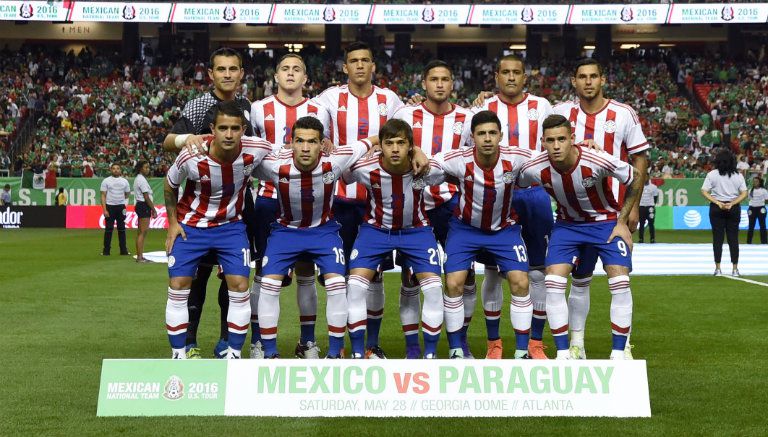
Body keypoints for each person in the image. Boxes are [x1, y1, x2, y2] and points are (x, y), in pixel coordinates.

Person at [519, 114, 643, 360]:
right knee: (553, 282)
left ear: (573, 139)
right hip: (568, 226)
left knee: (620, 280)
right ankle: (567, 352)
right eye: (550, 140)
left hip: (606, 223)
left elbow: (636, 177)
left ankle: (620, 352)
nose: (556, 146)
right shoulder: (533, 168)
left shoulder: (595, 159)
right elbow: (515, 181)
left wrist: (622, 221)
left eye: (562, 139)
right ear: (542, 142)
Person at [251, 116, 376, 359]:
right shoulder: (276, 164)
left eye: (312, 142)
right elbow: (241, 159)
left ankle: (334, 354)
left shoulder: (336, 159)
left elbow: (372, 140)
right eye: (300, 141)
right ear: (291, 143)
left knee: (337, 284)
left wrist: (414, 151)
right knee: (268, 285)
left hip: (323, 232)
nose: (305, 148)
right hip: (286, 231)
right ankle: (270, 354)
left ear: (322, 144)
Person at [163, 101, 278, 359]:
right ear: (212, 129)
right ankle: (178, 354)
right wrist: (172, 224)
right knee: (178, 285)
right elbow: (170, 184)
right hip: (191, 226)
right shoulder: (192, 155)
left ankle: (233, 354)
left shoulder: (257, 148)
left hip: (231, 227)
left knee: (239, 285)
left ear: (243, 130)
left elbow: (287, 154)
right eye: (223, 128)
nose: (229, 134)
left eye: (235, 128)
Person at [312, 41, 405, 359]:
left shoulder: (390, 99)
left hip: (376, 201)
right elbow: (314, 124)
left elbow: (404, 131)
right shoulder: (329, 98)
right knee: (337, 277)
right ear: (345, 67)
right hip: (339, 200)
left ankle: (371, 345)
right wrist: (324, 137)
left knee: (374, 276)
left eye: (366, 60)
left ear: (374, 66)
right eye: (354, 61)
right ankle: (337, 346)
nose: (360, 65)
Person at [162, 47, 255, 359]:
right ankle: (188, 342)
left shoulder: (248, 107)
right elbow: (168, 141)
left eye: (233, 69)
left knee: (235, 279)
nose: (227, 74)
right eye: (221, 69)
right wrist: (186, 139)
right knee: (196, 278)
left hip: (238, 206)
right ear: (212, 74)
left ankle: (227, 343)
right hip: (200, 206)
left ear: (241, 73)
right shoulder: (199, 105)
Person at [553, 58, 649, 359]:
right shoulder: (561, 112)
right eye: (582, 76)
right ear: (574, 81)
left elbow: (640, 160)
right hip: (573, 216)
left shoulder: (623, 113)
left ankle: (623, 346)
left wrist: (632, 208)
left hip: (614, 213)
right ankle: (577, 344)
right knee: (579, 280)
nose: (588, 82)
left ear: (603, 79)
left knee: (619, 276)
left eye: (593, 76)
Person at [424, 110, 533, 359]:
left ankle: (522, 352)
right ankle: (455, 350)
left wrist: (581, 147)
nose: (487, 138)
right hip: (465, 229)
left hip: (504, 229)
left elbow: (547, 159)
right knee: (454, 283)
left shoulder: (515, 157)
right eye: (481, 133)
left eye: (492, 133)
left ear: (500, 135)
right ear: (472, 137)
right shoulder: (459, 158)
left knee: (521, 282)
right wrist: (420, 155)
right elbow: (432, 164)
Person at [473, 54, 555, 360]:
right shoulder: (483, 107)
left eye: (516, 72)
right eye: (505, 72)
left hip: (534, 196)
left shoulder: (542, 106)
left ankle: (535, 342)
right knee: (492, 272)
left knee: (538, 273)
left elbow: (557, 140)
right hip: (496, 196)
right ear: (496, 76)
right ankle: (494, 343)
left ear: (525, 77)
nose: (510, 77)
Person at [393, 60, 477, 357]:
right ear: (423, 83)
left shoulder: (467, 118)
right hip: (413, 205)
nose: (439, 84)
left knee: (465, 275)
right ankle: (412, 347)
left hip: (452, 203)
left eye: (445, 79)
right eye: (434, 79)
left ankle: (460, 342)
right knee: (410, 277)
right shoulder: (406, 114)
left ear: (453, 83)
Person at [249, 53, 330, 359]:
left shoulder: (319, 110)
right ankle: (258, 342)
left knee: (306, 270)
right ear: (276, 76)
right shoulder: (259, 109)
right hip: (269, 198)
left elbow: (326, 149)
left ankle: (306, 342)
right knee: (263, 272)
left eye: (297, 69)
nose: (291, 73)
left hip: (307, 199)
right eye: (285, 68)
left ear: (305, 78)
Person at [343, 119, 443, 359]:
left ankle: (428, 355)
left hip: (416, 231)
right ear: (381, 146)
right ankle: (358, 353)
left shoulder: (427, 169)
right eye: (389, 143)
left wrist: (420, 154)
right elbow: (344, 174)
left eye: (401, 143)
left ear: (411, 146)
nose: (395, 149)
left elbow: (448, 174)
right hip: (375, 231)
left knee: (433, 290)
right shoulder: (365, 168)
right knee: (355, 286)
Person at [701, 149, 748, 276]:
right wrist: (732, 203)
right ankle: (735, 269)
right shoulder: (738, 175)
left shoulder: (712, 174)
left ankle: (718, 268)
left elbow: (704, 191)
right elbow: (744, 193)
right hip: (733, 208)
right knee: (733, 239)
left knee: (718, 239)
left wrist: (717, 202)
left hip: (717, 207)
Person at [100, 163, 130, 256]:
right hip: (110, 207)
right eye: (114, 168)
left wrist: (122, 202)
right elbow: (103, 195)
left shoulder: (125, 181)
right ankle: (106, 251)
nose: (116, 170)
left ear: (120, 170)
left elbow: (127, 194)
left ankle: (123, 250)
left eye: (117, 168)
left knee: (122, 229)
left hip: (121, 207)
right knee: (109, 229)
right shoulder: (106, 181)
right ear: (111, 170)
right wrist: (105, 209)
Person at [133, 161, 157, 263]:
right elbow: (146, 197)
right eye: (146, 167)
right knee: (143, 232)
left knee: (140, 232)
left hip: (141, 205)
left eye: (148, 167)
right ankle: (140, 257)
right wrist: (153, 209)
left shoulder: (139, 179)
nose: (148, 169)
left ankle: (140, 256)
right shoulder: (141, 180)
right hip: (144, 205)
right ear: (140, 169)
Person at [747, 177, 767, 244]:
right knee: (751, 226)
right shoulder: (750, 190)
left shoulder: (764, 191)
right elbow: (749, 199)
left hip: (761, 209)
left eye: (756, 181)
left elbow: (766, 199)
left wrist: (760, 203)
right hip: (752, 209)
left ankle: (764, 243)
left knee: (763, 226)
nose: (754, 182)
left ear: (759, 182)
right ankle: (749, 243)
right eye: (754, 181)